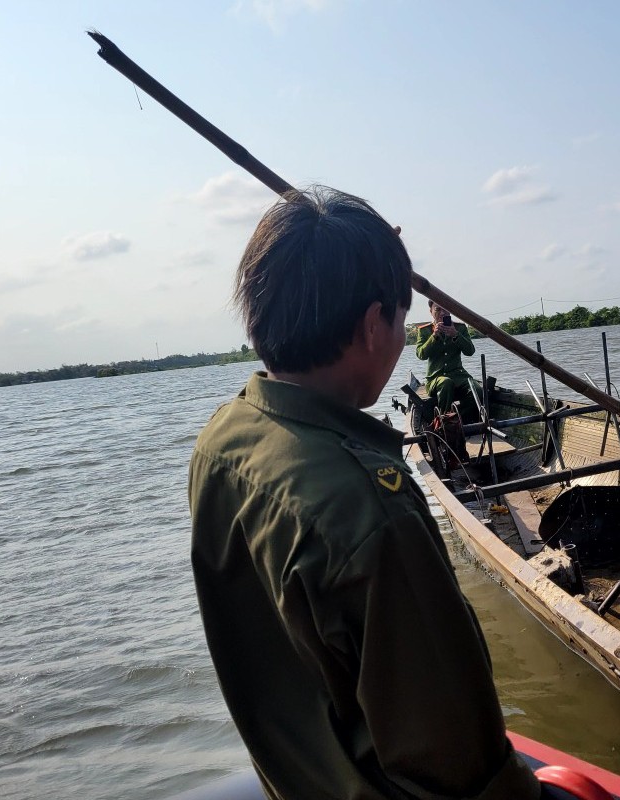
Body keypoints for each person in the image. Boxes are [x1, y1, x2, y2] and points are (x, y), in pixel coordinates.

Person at [188, 187, 539, 800]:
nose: (403, 335)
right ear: (374, 324)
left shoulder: (225, 438)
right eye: (400, 318)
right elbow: (459, 765)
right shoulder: (370, 506)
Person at [414, 299, 481, 422]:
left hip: (459, 376)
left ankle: (460, 419)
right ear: (431, 311)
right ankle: (444, 422)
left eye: (445, 309)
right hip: (435, 378)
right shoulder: (424, 330)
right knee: (446, 383)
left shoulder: (460, 328)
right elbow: (421, 354)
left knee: (477, 390)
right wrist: (434, 336)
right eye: (438, 309)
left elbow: (470, 351)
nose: (442, 313)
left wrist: (456, 335)